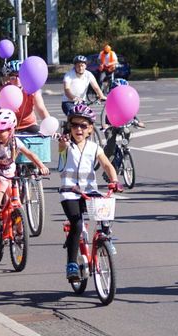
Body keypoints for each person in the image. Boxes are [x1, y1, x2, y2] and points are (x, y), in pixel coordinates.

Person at [57, 104, 121, 281]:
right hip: (69, 192)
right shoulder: (66, 145)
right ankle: (71, 263)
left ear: (90, 129)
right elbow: (61, 149)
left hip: (89, 190)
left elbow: (107, 165)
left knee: (105, 210)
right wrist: (61, 144)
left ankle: (105, 237)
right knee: (77, 224)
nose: (79, 129)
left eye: (83, 126)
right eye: (75, 125)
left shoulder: (94, 147)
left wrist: (114, 181)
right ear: (69, 127)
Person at [0, 109, 50, 236]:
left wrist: (41, 166)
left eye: (1, 130)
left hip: (9, 175)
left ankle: (20, 230)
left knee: (16, 201)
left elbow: (30, 154)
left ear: (11, 130)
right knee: (2, 186)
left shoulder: (15, 141)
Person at [0, 60, 51, 134]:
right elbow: (0, 112)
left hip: (30, 125)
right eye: (13, 77)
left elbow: (41, 110)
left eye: (20, 76)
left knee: (42, 138)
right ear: (8, 79)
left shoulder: (32, 90)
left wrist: (50, 128)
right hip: (9, 126)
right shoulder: (5, 91)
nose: (17, 80)